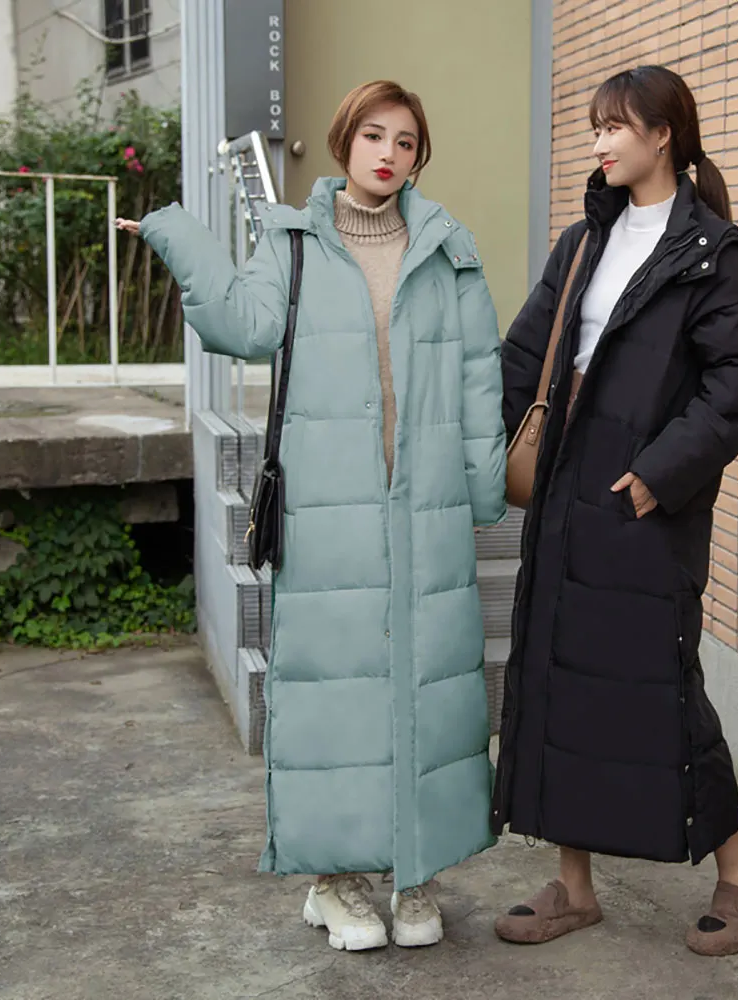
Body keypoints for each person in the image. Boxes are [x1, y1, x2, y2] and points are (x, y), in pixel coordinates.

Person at [117, 80, 506, 952]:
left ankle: (415, 871)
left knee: (429, 694)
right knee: (336, 699)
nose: (389, 154)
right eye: (374, 135)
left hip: (426, 510)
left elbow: (481, 376)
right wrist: (177, 235)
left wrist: (480, 492)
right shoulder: (294, 243)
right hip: (329, 511)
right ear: (343, 142)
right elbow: (242, 325)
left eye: (406, 142)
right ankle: (335, 882)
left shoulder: (449, 250)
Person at [492, 65, 738, 956]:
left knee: (659, 683)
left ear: (664, 134)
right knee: (557, 674)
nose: (600, 143)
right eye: (594, 127)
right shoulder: (586, 239)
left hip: (644, 499)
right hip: (565, 485)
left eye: (615, 126)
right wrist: (477, 439)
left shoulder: (709, 254)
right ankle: (574, 885)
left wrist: (661, 472)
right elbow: (527, 351)